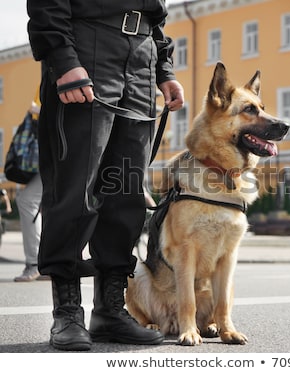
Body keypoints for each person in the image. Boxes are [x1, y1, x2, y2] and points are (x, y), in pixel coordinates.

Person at [27, 0, 184, 351]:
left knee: (126, 194)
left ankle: (109, 311)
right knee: (75, 191)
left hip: (141, 61)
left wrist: (164, 69)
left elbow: (155, 16)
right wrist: (63, 60)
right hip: (86, 49)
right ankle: (67, 313)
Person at [13, 100, 44, 282]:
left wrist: (38, 111)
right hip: (54, 151)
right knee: (52, 205)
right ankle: (47, 264)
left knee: (26, 200)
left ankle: (35, 263)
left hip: (58, 152)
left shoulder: (60, 72)